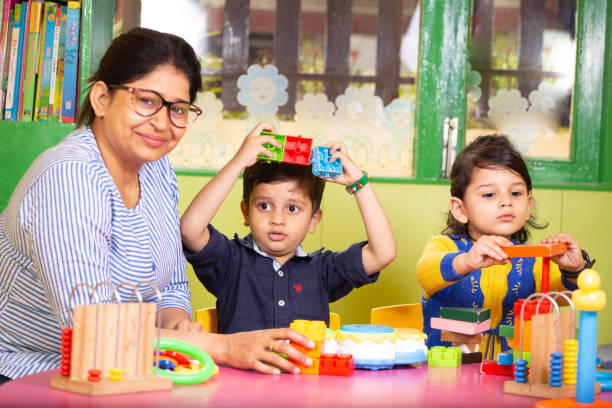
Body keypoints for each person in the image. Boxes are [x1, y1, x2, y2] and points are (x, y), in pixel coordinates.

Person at [0, 28, 314, 384]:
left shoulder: (156, 169)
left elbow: (171, 283)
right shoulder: (69, 177)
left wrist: (176, 322)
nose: (163, 123)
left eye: (178, 109)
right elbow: (94, 331)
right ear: (102, 98)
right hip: (29, 374)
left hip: (128, 370)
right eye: (147, 100)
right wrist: (223, 347)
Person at [180, 125, 397, 334]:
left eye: (292, 208)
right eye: (264, 206)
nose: (277, 219)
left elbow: (382, 253)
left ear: (313, 220)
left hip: (305, 373)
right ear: (246, 212)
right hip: (241, 373)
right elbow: (191, 229)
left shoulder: (322, 271)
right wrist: (238, 162)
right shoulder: (231, 262)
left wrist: (359, 183)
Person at [416, 135, 594, 353]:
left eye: (516, 193)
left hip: (508, 376)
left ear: (528, 205)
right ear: (460, 209)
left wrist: (573, 269)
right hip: (447, 374)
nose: (506, 201)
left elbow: (566, 298)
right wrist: (466, 261)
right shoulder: (445, 247)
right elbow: (425, 273)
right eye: (490, 194)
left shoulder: (535, 259)